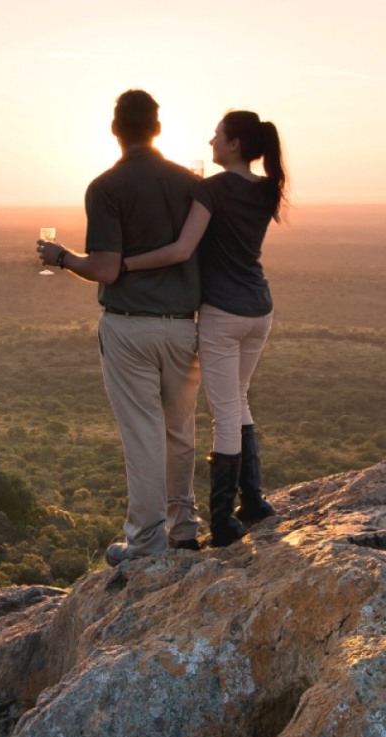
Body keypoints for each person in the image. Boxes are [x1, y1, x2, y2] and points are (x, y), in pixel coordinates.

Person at [35, 89, 204, 566]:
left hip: (130, 326)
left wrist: (62, 258)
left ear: (115, 129)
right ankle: (185, 527)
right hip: (184, 326)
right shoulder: (192, 183)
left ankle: (146, 542)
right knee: (181, 430)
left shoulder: (106, 186)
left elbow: (107, 269)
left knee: (143, 435)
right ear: (157, 128)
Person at [112, 110, 287, 548]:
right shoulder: (267, 188)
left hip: (222, 313)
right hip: (259, 308)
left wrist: (124, 264)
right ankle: (252, 499)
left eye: (217, 136)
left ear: (233, 145)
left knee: (224, 412)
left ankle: (223, 521)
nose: (211, 141)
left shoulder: (212, 189)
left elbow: (181, 249)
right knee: (238, 399)